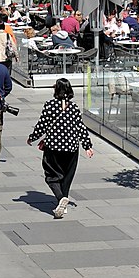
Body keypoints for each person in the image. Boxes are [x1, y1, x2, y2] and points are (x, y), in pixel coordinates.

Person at [27, 78, 93, 218]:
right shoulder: (74, 107)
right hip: (71, 147)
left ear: (56, 90)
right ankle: (64, 199)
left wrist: (33, 137)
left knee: (51, 175)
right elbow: (80, 127)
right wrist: (87, 145)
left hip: (54, 146)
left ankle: (60, 198)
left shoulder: (50, 105)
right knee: (67, 175)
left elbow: (42, 124)